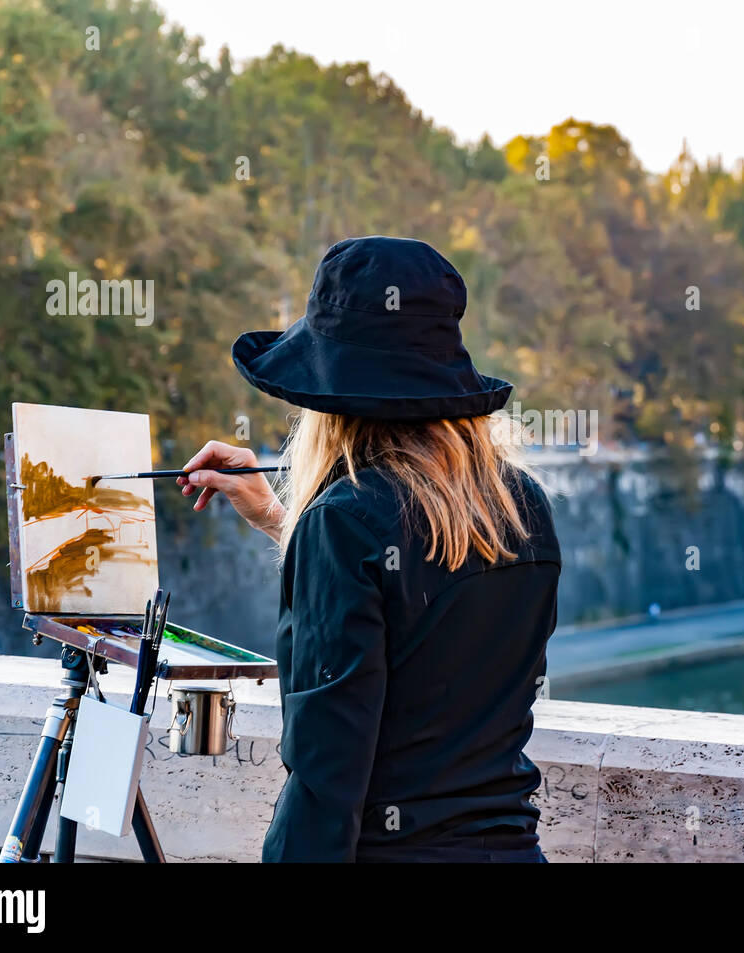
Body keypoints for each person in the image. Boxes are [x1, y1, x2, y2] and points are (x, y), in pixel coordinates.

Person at [179, 236, 561, 862]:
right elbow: (419, 601)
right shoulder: (521, 505)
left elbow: (327, 776)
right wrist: (282, 519)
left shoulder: (344, 525)